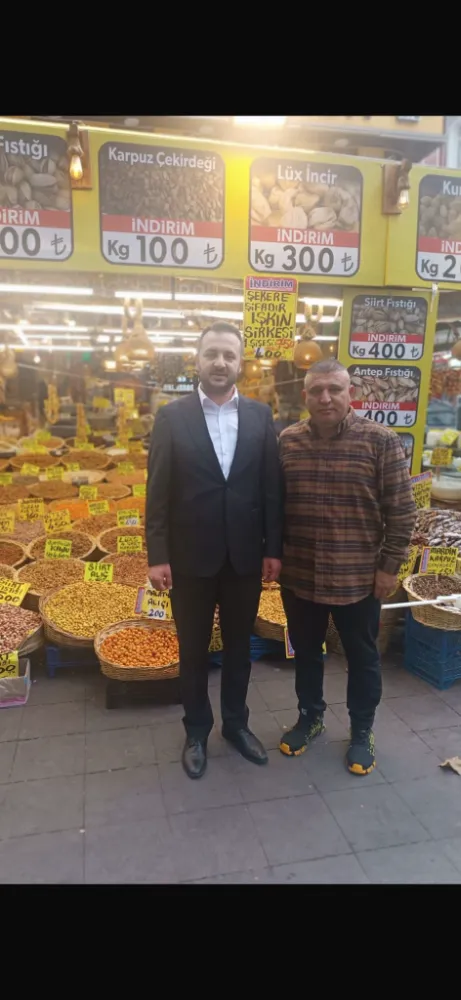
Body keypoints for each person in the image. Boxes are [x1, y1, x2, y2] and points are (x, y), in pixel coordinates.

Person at [146, 322, 282, 780]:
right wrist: (157, 554)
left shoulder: (261, 416)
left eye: (228, 354)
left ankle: (237, 725)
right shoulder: (172, 417)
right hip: (189, 558)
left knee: (240, 648)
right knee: (193, 650)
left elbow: (270, 488)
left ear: (240, 362)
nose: (220, 362)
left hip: (245, 556)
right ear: (198, 360)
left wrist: (273, 548)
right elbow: (158, 491)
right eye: (212, 354)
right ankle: (197, 732)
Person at [279, 359, 416, 776]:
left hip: (357, 578)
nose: (326, 398)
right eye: (317, 390)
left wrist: (388, 568)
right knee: (306, 652)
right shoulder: (287, 441)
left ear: (349, 393)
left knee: (362, 656)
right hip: (300, 575)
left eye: (335, 389)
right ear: (305, 395)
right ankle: (310, 716)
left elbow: (402, 511)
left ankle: (362, 730)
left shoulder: (380, 441)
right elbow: (274, 505)